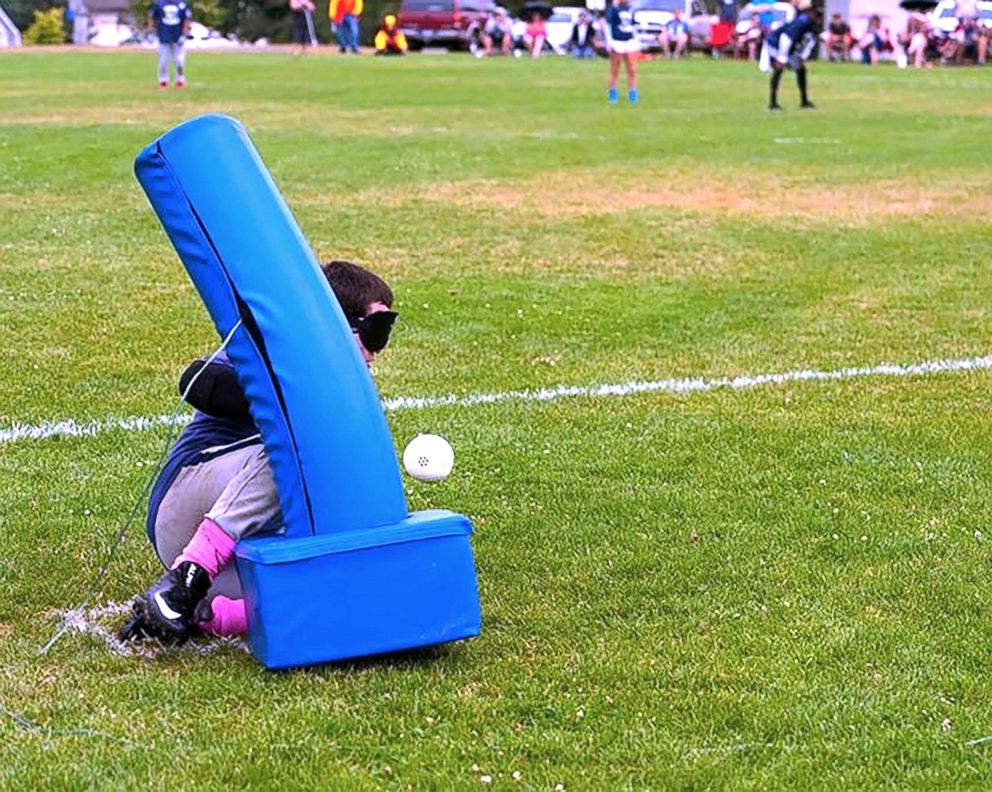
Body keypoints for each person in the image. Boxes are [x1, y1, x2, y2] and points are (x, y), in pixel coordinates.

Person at [118, 261, 399, 644]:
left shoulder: (343, 392)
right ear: (336, 323)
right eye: (375, 331)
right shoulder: (272, 354)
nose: (376, 351)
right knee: (306, 448)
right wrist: (291, 402)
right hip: (187, 497)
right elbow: (200, 382)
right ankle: (186, 580)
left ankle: (204, 616)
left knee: (348, 590)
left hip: (237, 538)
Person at [761, 0, 817, 110]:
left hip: (788, 43)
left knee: (801, 69)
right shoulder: (804, 21)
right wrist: (783, 55)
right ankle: (773, 103)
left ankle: (804, 101)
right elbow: (787, 36)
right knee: (779, 68)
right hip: (779, 42)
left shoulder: (804, 19)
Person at [148, 0, 191, 89]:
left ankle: (180, 79)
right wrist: (151, 30)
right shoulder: (159, 3)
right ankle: (163, 80)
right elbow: (152, 17)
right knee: (163, 60)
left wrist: (185, 33)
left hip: (178, 35)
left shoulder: (181, 4)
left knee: (179, 61)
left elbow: (186, 19)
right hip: (164, 35)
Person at [604, 0, 640, 104]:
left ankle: (633, 93)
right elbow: (608, 25)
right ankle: (613, 94)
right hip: (617, 41)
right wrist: (609, 41)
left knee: (632, 69)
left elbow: (634, 25)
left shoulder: (631, 9)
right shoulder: (613, 9)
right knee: (615, 69)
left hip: (629, 41)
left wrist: (637, 40)